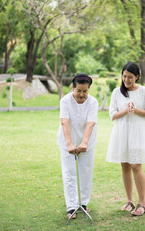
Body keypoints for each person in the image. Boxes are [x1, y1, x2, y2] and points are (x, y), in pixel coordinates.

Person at [106, 62, 145, 216]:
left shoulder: (144, 91)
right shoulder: (116, 92)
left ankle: (142, 203)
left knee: (136, 165)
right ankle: (130, 201)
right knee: (125, 165)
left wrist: (136, 110)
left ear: (137, 77)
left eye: (130, 77)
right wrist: (126, 110)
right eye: (124, 76)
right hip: (121, 131)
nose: (126, 80)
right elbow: (112, 115)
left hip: (138, 132)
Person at [57, 73, 98, 219]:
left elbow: (90, 123)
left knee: (86, 172)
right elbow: (65, 122)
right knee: (69, 173)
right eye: (78, 91)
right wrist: (69, 143)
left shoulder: (93, 102)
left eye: (85, 91)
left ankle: (84, 203)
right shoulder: (65, 101)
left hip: (87, 142)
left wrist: (84, 142)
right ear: (73, 88)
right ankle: (71, 207)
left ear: (88, 90)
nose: (81, 94)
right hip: (67, 141)